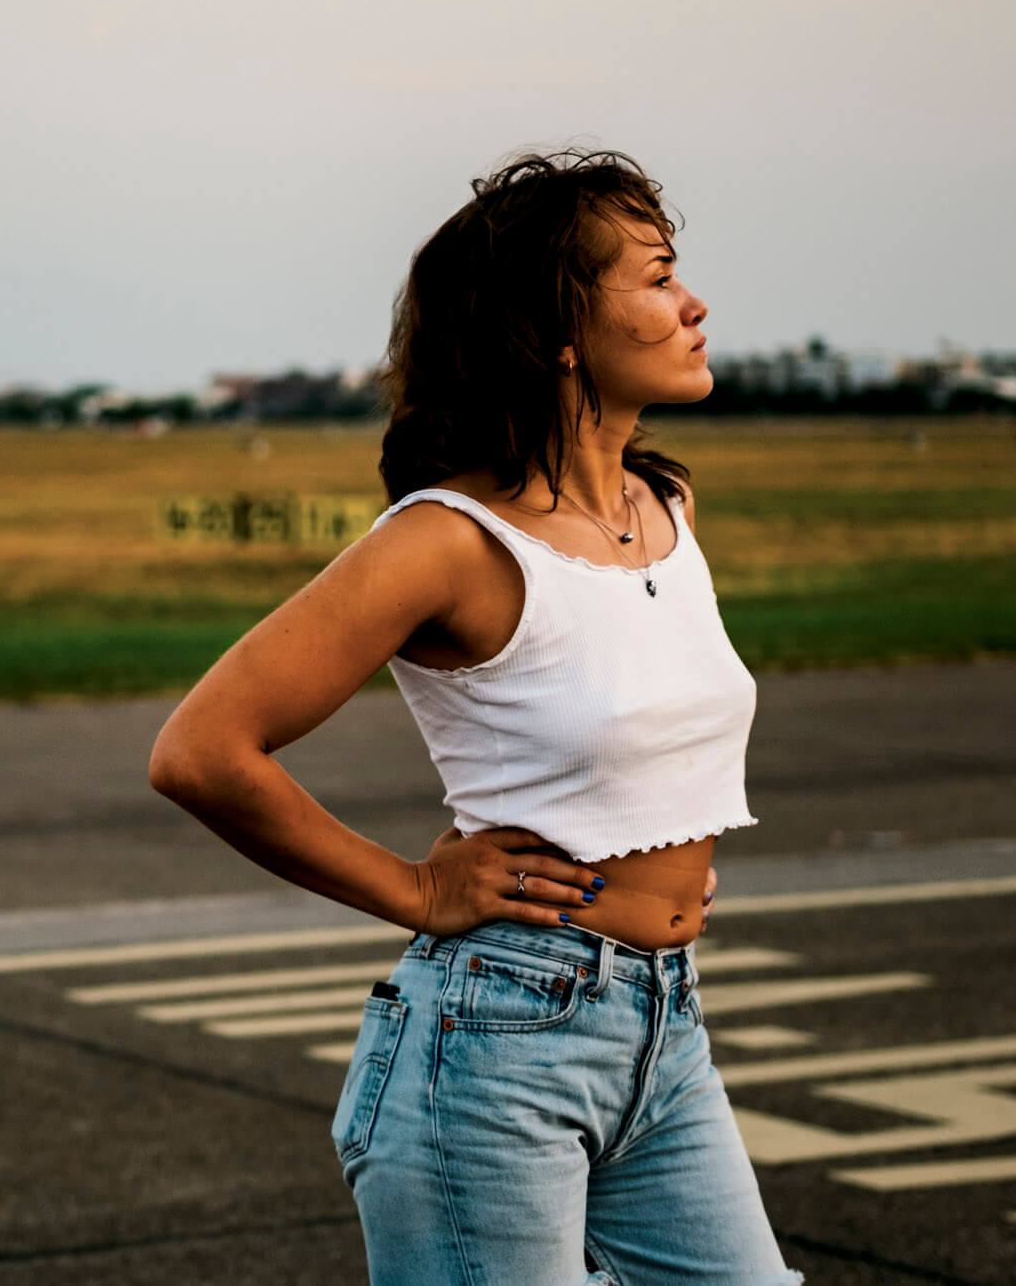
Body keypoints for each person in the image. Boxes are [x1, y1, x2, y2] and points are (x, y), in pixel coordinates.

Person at [149, 149, 799, 1285]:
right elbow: (201, 751)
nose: (693, 305)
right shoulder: (448, 542)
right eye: (656, 277)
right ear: (555, 329)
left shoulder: (668, 505)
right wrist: (411, 888)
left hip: (664, 1029)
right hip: (495, 1044)